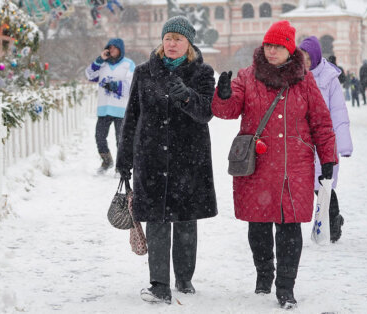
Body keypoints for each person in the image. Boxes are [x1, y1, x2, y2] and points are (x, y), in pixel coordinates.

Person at [212, 21, 337, 309]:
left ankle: (285, 288)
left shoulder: (304, 81)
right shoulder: (247, 76)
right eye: (268, 45)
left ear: (289, 48)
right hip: (256, 166)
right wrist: (224, 94)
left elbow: (321, 122)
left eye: (278, 46)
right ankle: (263, 275)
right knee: (258, 227)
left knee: (290, 228)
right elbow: (227, 112)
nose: (272, 51)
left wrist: (327, 159)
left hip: (295, 168)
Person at [116, 16, 217, 304]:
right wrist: (124, 158)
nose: (172, 44)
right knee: (157, 221)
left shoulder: (202, 73)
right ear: (162, 41)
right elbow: (132, 116)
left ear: (189, 44)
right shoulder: (145, 72)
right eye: (168, 38)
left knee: (185, 221)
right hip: (151, 157)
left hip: (190, 159)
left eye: (179, 39)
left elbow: (206, 113)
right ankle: (159, 284)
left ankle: (184, 279)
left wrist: (188, 98)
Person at [299, 36, 353, 243]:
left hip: (324, 141)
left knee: (323, 184)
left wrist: (344, 145)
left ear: (315, 57)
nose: (304, 62)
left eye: (307, 59)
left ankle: (333, 221)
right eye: (301, 58)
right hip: (302, 141)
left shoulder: (329, 78)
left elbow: (339, 113)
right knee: (306, 184)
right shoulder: (295, 76)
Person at [85, 38, 135, 173]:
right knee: (99, 137)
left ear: (120, 49)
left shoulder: (128, 64)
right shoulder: (103, 64)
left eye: (114, 48)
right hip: (104, 108)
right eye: (109, 47)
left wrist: (115, 86)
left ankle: (121, 166)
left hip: (121, 109)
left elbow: (132, 84)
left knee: (121, 140)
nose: (111, 50)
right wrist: (99, 60)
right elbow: (89, 75)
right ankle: (107, 161)